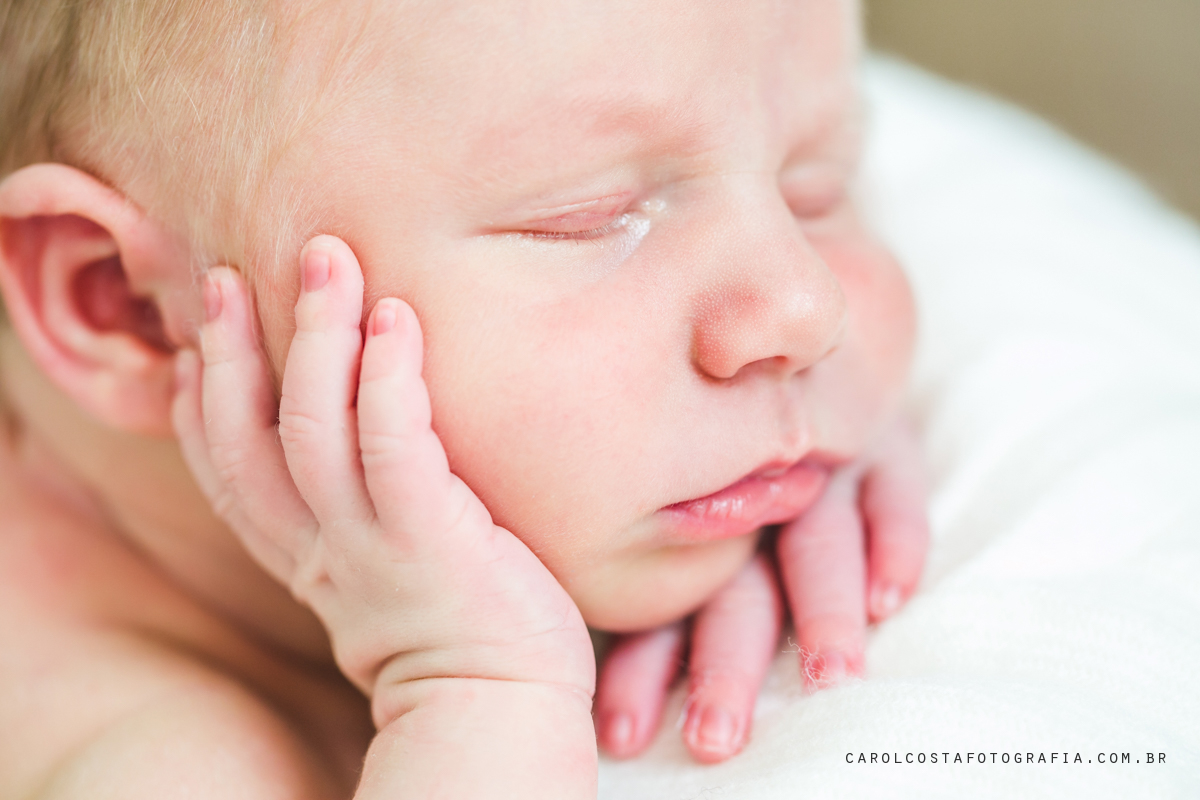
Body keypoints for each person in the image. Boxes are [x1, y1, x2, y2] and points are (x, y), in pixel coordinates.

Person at [0, 0, 929, 796]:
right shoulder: (152, 751)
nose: (808, 308)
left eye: (814, 188)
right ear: (125, 309)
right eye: (591, 217)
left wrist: (805, 453)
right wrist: (480, 694)